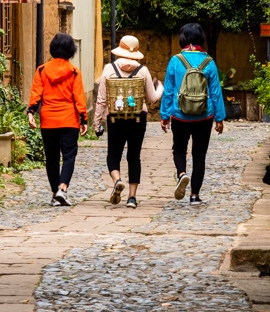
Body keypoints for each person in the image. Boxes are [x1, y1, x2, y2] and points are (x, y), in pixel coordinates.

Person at [93, 35, 163, 209]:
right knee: (134, 156)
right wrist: (159, 88)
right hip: (138, 119)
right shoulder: (143, 70)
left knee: (113, 155)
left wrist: (97, 123)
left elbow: (101, 100)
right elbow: (152, 98)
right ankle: (132, 198)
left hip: (115, 119)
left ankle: (117, 180)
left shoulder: (109, 69)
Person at [160, 23, 225, 206]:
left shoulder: (175, 60)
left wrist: (165, 115)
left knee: (179, 149)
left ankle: (182, 173)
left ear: (183, 39)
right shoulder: (209, 62)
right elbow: (215, 92)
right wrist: (219, 118)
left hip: (180, 115)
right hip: (204, 116)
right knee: (199, 155)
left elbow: (169, 91)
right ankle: (195, 195)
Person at [28, 33, 88, 206]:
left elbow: (36, 94)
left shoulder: (42, 70)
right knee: (69, 156)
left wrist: (31, 112)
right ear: (71, 51)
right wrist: (83, 119)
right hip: (69, 120)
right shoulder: (75, 72)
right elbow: (79, 98)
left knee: (52, 157)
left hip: (48, 120)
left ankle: (55, 193)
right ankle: (63, 188)